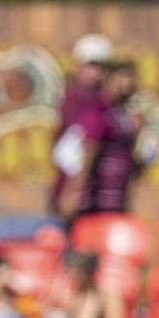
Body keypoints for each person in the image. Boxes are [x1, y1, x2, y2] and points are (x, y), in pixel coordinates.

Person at [50, 33, 112, 219]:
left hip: (100, 193)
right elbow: (74, 150)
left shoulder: (105, 101)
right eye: (92, 65)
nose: (96, 72)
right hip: (72, 192)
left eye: (101, 66)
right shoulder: (73, 99)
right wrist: (72, 192)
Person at [73, 61, 145, 217]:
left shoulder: (123, 114)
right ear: (109, 79)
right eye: (123, 77)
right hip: (95, 202)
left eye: (131, 78)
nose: (128, 83)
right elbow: (88, 150)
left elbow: (133, 159)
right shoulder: (98, 110)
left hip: (116, 200)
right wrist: (74, 192)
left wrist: (137, 133)